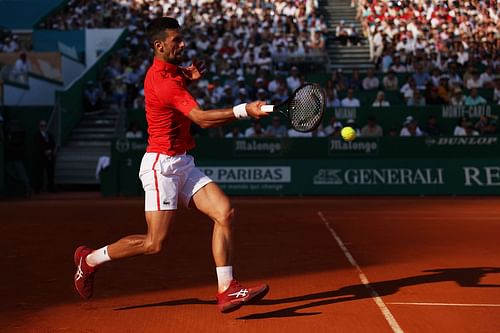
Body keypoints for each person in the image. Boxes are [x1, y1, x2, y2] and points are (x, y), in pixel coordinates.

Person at [73, 17, 269, 314]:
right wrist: (245, 110)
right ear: (159, 45)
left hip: (183, 162)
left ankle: (227, 289)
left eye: (182, 39)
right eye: (176, 41)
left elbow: (176, 77)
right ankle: (89, 261)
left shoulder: (170, 73)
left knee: (224, 211)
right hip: (160, 166)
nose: (183, 44)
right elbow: (201, 118)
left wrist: (188, 75)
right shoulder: (164, 83)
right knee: (154, 243)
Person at [34, 120, 56, 193]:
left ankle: (51, 188)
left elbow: (53, 143)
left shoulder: (49, 134)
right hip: (41, 157)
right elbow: (37, 145)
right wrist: (45, 151)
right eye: (42, 126)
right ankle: (38, 189)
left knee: (50, 172)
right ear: (39, 126)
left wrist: (50, 151)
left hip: (49, 156)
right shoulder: (37, 135)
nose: (43, 127)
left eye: (44, 125)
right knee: (39, 173)